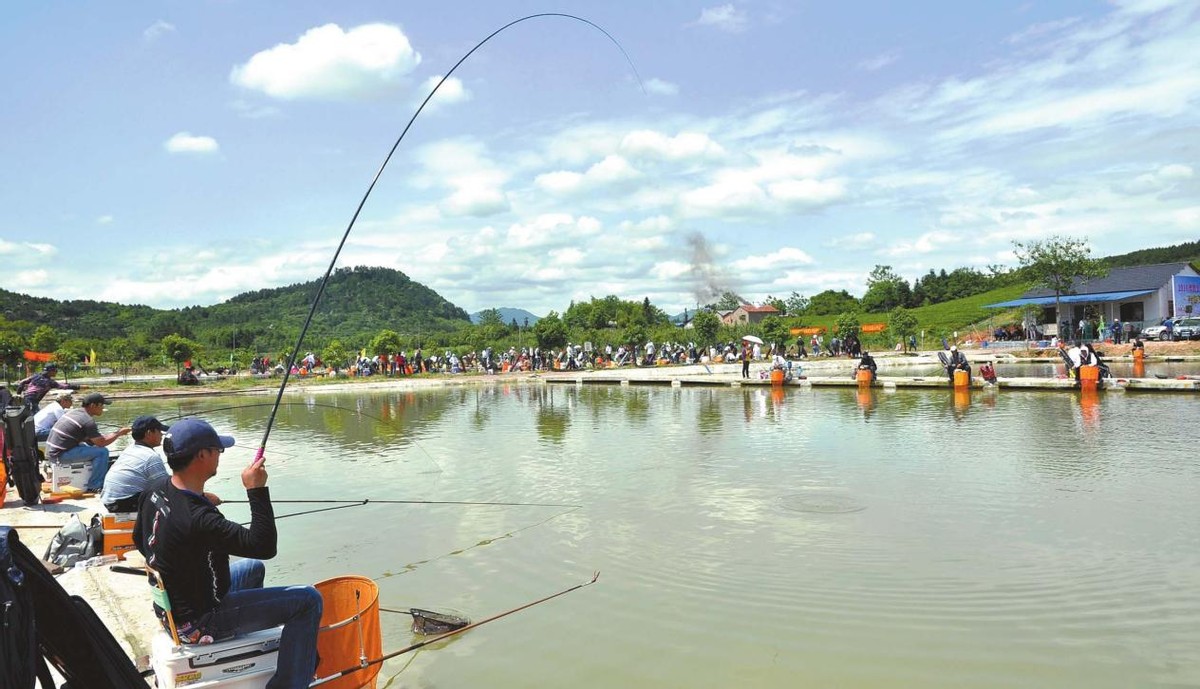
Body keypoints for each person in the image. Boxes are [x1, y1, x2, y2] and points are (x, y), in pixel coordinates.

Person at [134, 418, 322, 687]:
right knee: (308, 600)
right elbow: (264, 545)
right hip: (200, 623)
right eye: (217, 450)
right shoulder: (198, 519)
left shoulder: (156, 489)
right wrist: (256, 490)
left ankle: (256, 645)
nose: (220, 455)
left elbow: (140, 540)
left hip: (172, 610)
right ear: (202, 455)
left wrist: (199, 499)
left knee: (253, 567)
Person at [44, 392, 130, 493]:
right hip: (59, 455)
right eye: (101, 405)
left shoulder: (75, 413)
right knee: (102, 452)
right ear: (93, 405)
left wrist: (113, 434)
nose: (102, 408)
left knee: (91, 447)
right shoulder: (87, 421)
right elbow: (101, 443)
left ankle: (90, 478)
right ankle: (94, 486)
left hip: (52, 453)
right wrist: (119, 433)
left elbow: (92, 441)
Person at [99, 416, 170, 513]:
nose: (162, 435)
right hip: (122, 503)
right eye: (159, 431)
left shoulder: (130, 449)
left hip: (109, 502)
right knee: (169, 497)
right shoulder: (150, 456)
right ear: (149, 433)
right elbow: (165, 487)